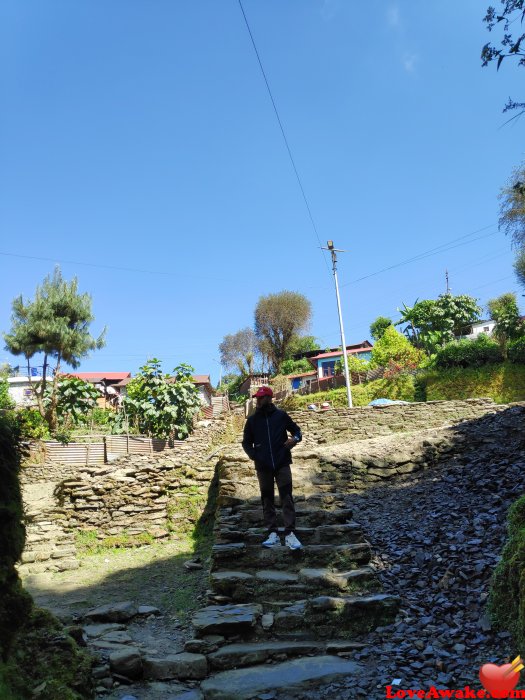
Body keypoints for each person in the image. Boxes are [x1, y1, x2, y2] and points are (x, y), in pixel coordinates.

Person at [242, 386, 303, 550]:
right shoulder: (252, 420)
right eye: (257, 398)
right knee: (267, 499)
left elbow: (297, 431)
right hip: (263, 467)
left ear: (269, 398)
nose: (257, 401)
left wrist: (295, 439)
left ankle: (290, 534)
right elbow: (246, 443)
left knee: (287, 497)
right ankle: (273, 533)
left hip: (282, 462)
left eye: (260, 398)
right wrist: (255, 455)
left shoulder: (281, 416)